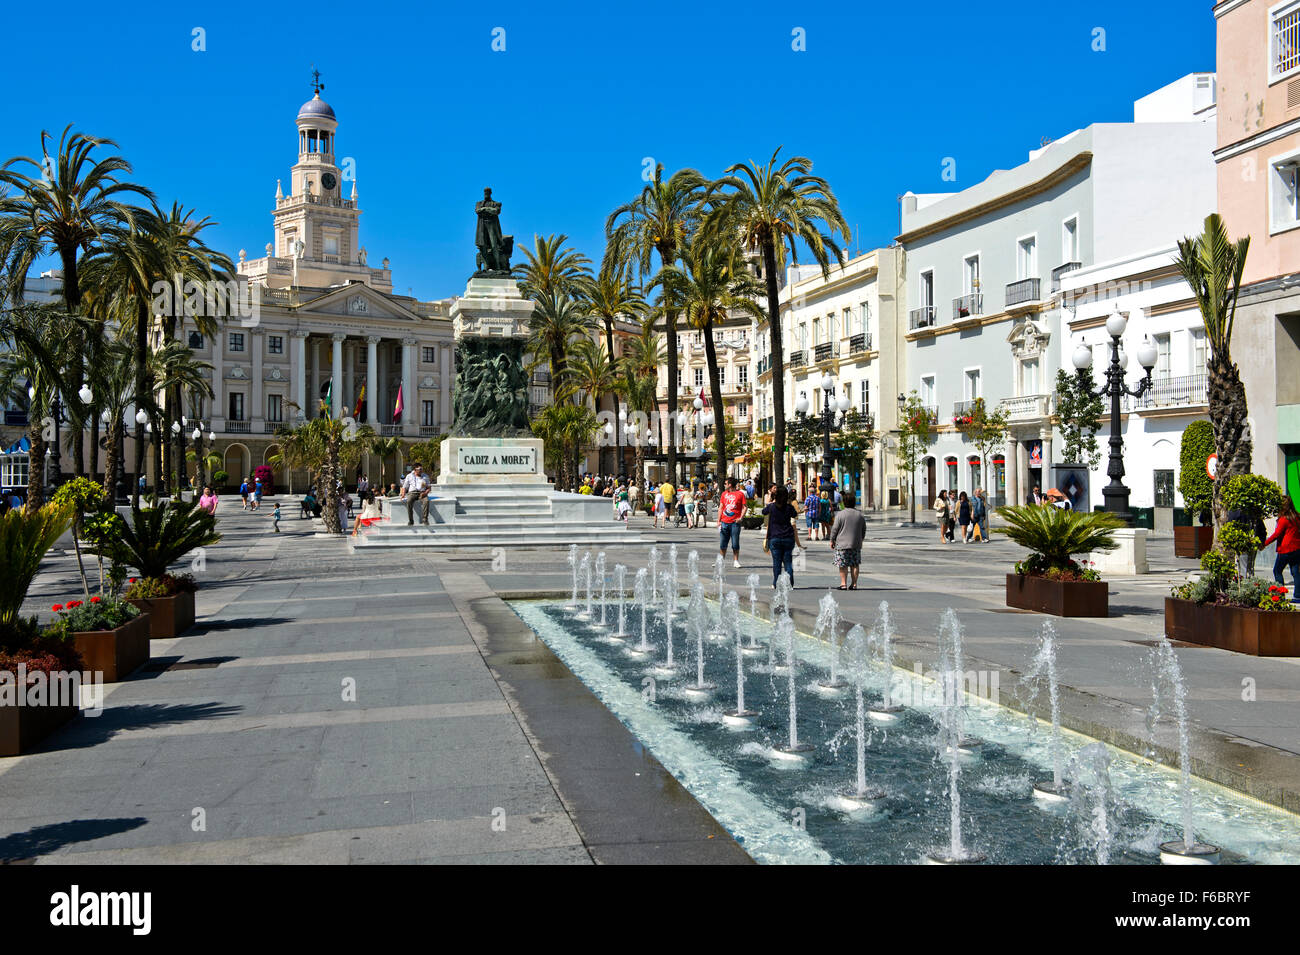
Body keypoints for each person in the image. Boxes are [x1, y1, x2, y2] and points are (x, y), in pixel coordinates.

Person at [762, 484, 803, 589]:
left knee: (777, 563)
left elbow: (763, 511)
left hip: (775, 537)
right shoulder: (789, 507)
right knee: (788, 562)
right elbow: (794, 514)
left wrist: (771, 498)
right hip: (788, 537)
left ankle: (775, 583)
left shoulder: (771, 507)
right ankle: (790, 584)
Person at [1262, 497, 1300, 599]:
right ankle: (1297, 595)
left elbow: (1276, 534)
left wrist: (1264, 544)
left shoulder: (1283, 519)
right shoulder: (1297, 517)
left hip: (1285, 549)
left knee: (1277, 571)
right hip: (1297, 548)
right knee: (1295, 572)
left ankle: (1280, 595)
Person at [829, 491, 867, 590]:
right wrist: (860, 539)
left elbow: (835, 529)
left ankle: (843, 584)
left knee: (842, 565)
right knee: (854, 564)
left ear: (844, 502)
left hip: (842, 544)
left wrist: (832, 540)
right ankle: (854, 584)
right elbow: (863, 529)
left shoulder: (840, 515)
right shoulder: (860, 515)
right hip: (855, 543)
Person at [718, 477, 747, 569]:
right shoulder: (724, 494)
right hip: (724, 522)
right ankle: (721, 561)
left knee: (735, 543)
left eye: (725, 483)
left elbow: (745, 507)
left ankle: (736, 561)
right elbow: (721, 507)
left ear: (730, 484)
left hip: (735, 523)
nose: (724, 485)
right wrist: (718, 520)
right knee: (723, 543)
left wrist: (741, 518)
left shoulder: (740, 494)